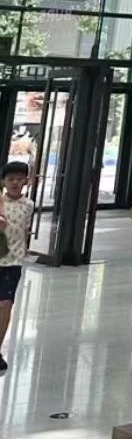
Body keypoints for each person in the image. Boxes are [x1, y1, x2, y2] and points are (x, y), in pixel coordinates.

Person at [0, 159, 33, 374]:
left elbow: (25, 231)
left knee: (5, 304)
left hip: (13, 263)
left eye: (19, 179)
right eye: (10, 179)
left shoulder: (28, 205)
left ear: (26, 181)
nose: (14, 183)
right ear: (3, 181)